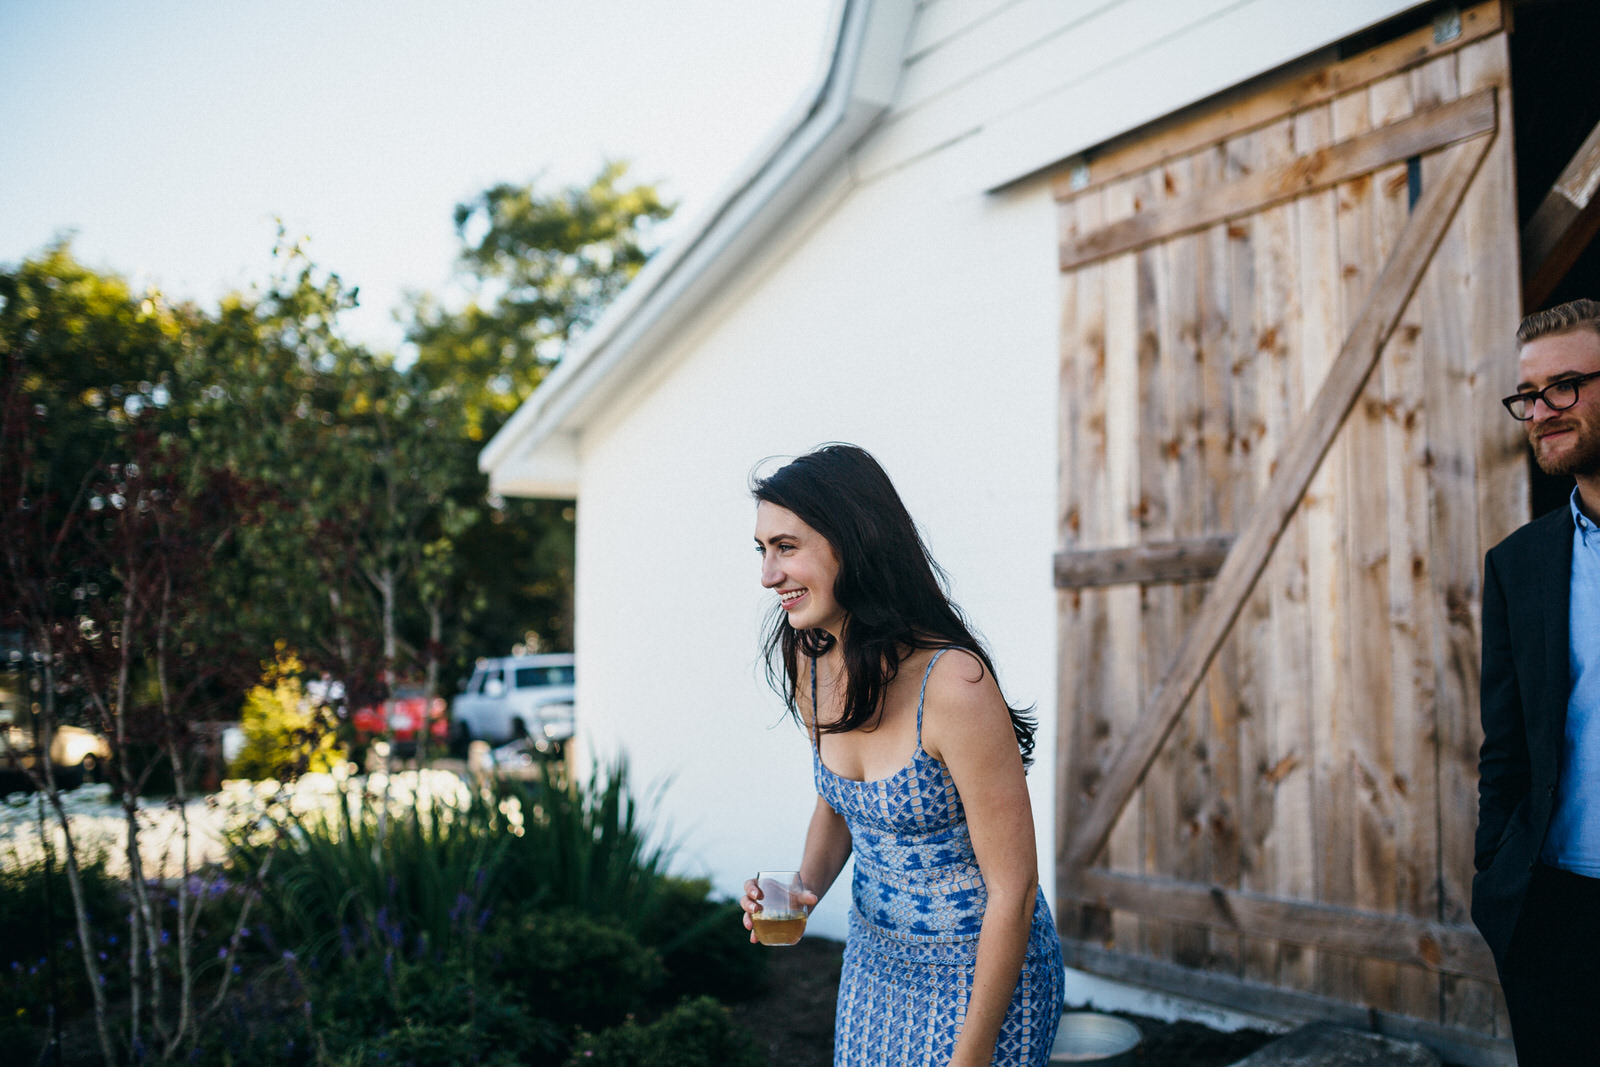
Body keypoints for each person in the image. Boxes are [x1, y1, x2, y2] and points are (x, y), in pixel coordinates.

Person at [739, 444, 1063, 1067]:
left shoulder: (954, 685)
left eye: (787, 547)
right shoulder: (810, 657)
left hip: (983, 981)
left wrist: (972, 1054)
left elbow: (1014, 888)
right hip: (874, 970)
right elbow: (839, 802)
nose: (767, 575)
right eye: (763, 550)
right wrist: (799, 893)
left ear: (852, 542)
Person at [1474, 299, 1600, 1063]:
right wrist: (1497, 870)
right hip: (1556, 913)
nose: (1542, 411)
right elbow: (1507, 746)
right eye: (1529, 394)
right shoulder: (1516, 564)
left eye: (1567, 385)